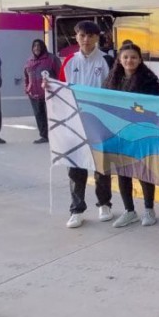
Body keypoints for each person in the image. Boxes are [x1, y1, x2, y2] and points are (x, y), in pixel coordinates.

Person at [57, 21, 114, 229]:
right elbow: (60, 91)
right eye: (82, 35)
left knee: (101, 167)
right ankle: (77, 209)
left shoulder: (107, 60)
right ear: (76, 37)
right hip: (75, 123)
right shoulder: (70, 62)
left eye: (90, 35)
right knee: (76, 167)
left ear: (97, 37)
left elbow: (115, 93)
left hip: (99, 123)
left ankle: (104, 203)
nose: (86, 39)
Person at [103, 43, 159, 227]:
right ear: (120, 60)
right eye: (126, 57)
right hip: (119, 133)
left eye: (134, 57)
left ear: (140, 59)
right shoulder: (112, 80)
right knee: (123, 172)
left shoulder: (149, 80)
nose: (130, 60)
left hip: (141, 133)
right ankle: (129, 211)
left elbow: (154, 107)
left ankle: (149, 210)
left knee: (144, 172)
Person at [23, 39, 60, 144]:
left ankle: (56, 136)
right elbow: (26, 76)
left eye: (39, 46)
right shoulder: (29, 61)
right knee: (39, 115)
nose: (36, 48)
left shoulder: (52, 59)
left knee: (52, 115)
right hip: (34, 94)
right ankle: (44, 136)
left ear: (43, 47)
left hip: (50, 94)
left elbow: (60, 75)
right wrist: (27, 88)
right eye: (34, 46)